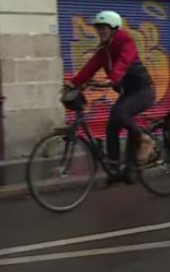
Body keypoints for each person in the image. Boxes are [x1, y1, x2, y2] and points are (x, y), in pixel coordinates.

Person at [67, 10, 157, 183]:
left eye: (103, 28)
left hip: (143, 91)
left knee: (120, 113)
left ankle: (145, 140)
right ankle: (117, 169)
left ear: (114, 28)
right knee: (112, 126)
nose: (100, 31)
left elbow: (123, 62)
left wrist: (111, 79)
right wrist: (73, 83)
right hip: (128, 93)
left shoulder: (126, 42)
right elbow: (91, 66)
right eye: (98, 28)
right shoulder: (105, 49)